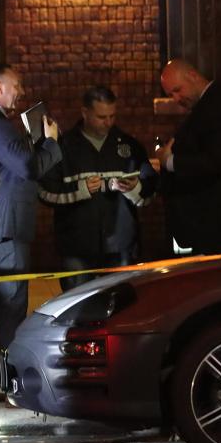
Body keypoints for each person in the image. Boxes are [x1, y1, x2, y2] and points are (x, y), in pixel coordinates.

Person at [0, 63, 61, 403]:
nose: (20, 92)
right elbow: (26, 166)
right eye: (16, 86)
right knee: (9, 306)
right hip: (4, 229)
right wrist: (49, 143)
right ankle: (7, 384)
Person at [39, 85, 157, 291]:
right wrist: (80, 190)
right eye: (101, 117)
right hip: (77, 248)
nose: (108, 123)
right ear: (85, 113)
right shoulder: (64, 147)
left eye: (112, 116)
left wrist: (135, 187)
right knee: (79, 310)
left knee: (122, 311)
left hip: (121, 246)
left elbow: (151, 188)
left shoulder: (129, 146)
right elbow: (44, 191)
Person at [155, 59, 221, 255]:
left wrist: (170, 161)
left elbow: (216, 160)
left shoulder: (217, 106)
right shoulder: (214, 104)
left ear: (193, 76)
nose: (176, 98)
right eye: (171, 94)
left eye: (178, 89)